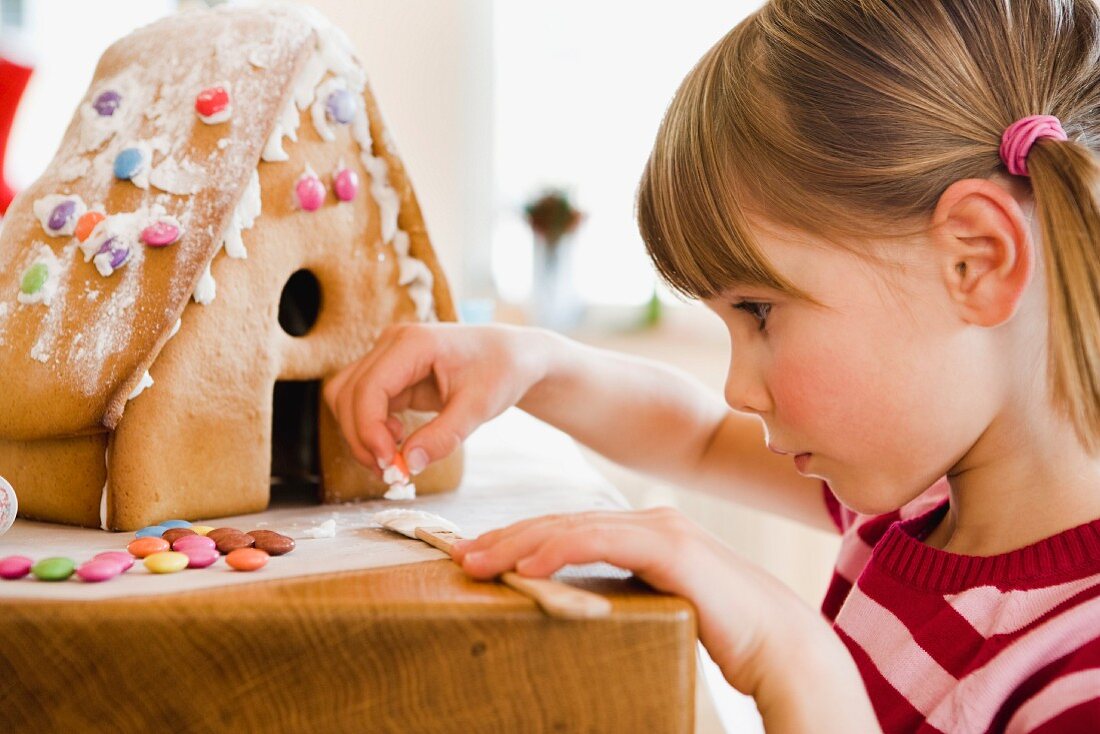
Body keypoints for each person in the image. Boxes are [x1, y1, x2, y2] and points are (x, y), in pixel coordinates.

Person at [324, 1, 1100, 730]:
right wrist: (532, 364)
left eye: (760, 312)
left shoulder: (1079, 666)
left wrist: (793, 656)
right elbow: (693, 435)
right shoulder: (914, 504)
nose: (736, 387)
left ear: (975, 260)